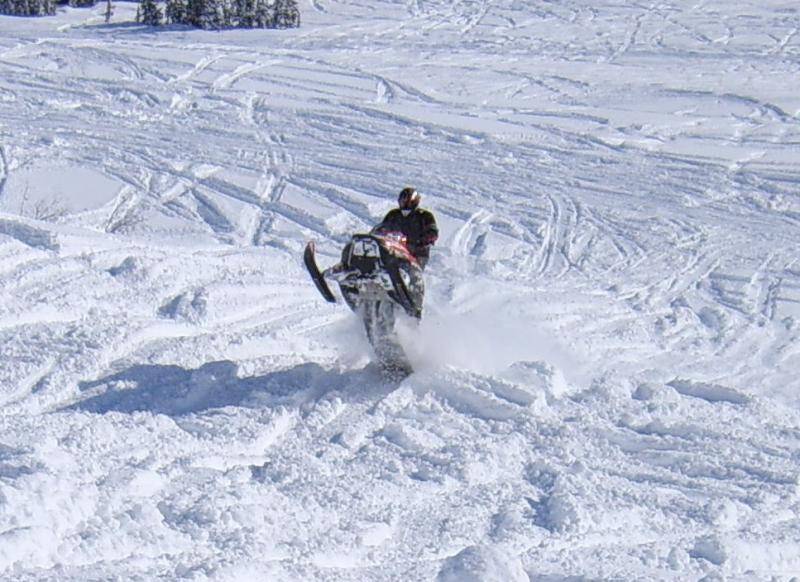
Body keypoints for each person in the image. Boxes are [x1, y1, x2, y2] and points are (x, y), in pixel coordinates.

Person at [372, 187, 438, 317]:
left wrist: (425, 239)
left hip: (416, 253)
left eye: (406, 201)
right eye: (402, 200)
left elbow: (433, 231)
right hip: (393, 251)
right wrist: (376, 234)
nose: (403, 203)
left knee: (414, 275)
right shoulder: (393, 215)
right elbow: (381, 228)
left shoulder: (424, 216)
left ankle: (415, 308)